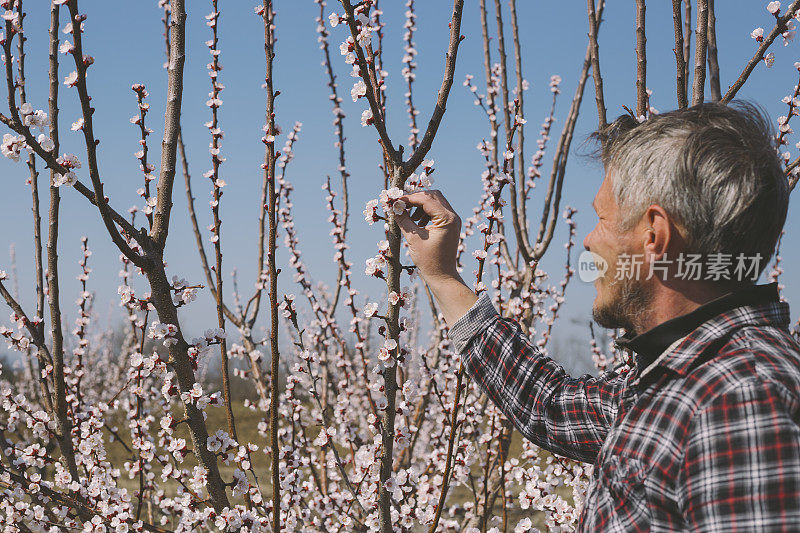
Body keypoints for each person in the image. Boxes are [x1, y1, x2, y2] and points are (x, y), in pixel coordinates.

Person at [396, 102, 800, 531]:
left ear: (654, 235)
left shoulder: (741, 401)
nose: (588, 241)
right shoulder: (677, 380)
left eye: (602, 218)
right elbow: (548, 405)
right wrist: (441, 276)